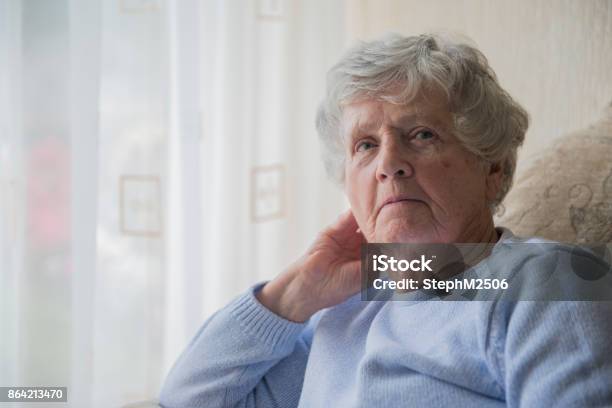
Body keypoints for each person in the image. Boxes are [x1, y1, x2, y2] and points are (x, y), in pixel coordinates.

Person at [159, 33, 612, 407]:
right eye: (365, 145)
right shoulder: (341, 315)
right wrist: (290, 296)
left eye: (422, 135)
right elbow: (186, 400)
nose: (388, 164)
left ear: (491, 169)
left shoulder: (543, 285)